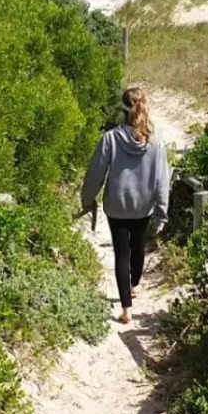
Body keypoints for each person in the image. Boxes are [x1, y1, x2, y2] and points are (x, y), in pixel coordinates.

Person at [81, 86, 171, 324]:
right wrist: (161, 214)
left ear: (122, 109)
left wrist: (87, 199)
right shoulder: (156, 142)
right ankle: (133, 284)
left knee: (122, 253)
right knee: (138, 246)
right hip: (144, 206)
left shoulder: (110, 138)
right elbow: (163, 181)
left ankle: (126, 310)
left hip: (116, 206)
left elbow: (95, 174)